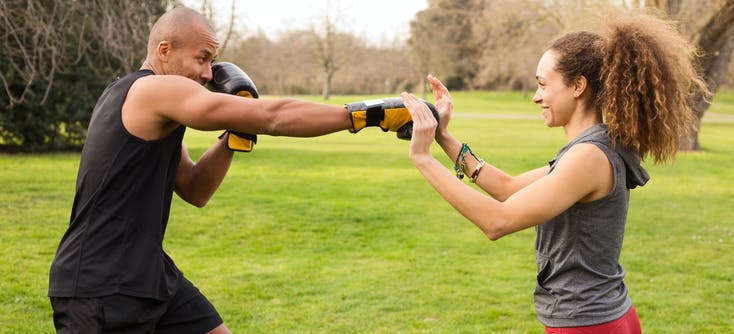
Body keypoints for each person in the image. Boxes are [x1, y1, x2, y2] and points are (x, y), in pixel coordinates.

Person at [47, 6, 422, 333]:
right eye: (202, 58)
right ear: (164, 50)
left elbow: (195, 189)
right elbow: (274, 117)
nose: (210, 74)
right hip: (100, 284)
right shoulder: (151, 92)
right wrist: (366, 115)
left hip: (149, 274)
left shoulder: (150, 107)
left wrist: (232, 138)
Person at [401, 12, 707, 333]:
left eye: (543, 85)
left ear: (578, 86)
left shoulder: (589, 157)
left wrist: (423, 158)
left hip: (586, 323)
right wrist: (443, 137)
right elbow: (508, 188)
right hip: (605, 317)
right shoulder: (595, 146)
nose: (536, 96)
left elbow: (498, 221)